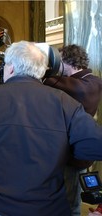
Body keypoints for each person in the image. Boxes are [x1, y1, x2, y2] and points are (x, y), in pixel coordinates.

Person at [0, 41, 102, 216]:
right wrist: (61, 143)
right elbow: (96, 145)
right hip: (46, 209)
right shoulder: (65, 102)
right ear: (41, 71)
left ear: (10, 69)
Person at [44, 44, 102, 216]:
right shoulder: (84, 81)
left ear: (67, 61)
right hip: (66, 152)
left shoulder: (91, 82)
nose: (56, 67)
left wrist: (42, 74)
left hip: (75, 155)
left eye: (58, 62)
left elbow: (75, 88)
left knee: (71, 203)